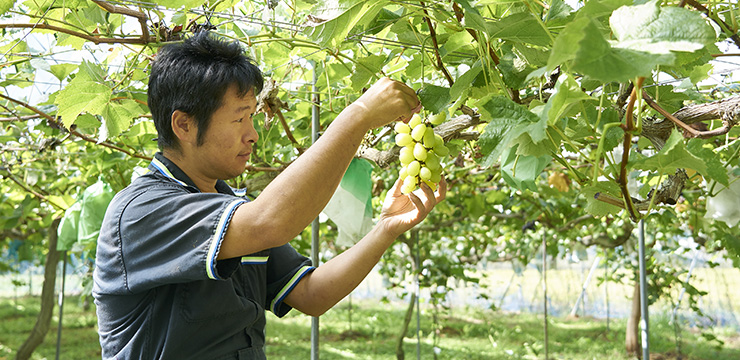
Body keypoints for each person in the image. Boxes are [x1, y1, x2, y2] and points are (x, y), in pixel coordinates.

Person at [92, 31, 446, 359]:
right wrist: (357, 117)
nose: (253, 135)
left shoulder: (232, 211)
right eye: (239, 119)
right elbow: (270, 222)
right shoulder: (141, 211)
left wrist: (385, 229)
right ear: (183, 124)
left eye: (253, 117)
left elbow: (311, 294)